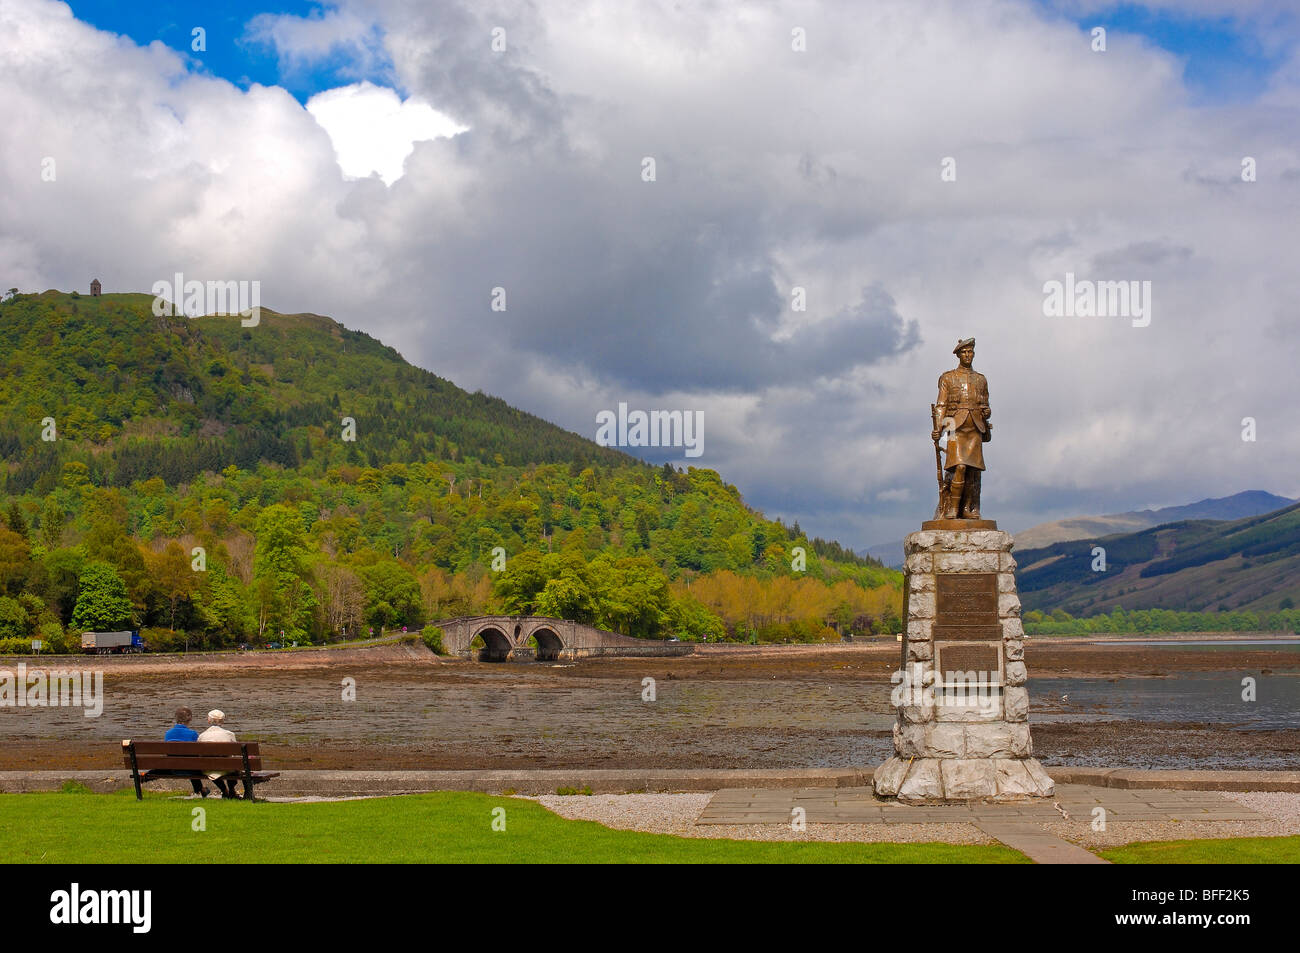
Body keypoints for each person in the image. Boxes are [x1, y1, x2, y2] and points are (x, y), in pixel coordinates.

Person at [931, 337, 991, 519]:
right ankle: (953, 508)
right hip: (954, 426)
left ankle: (967, 508)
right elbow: (941, 405)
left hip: (975, 425)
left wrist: (987, 411)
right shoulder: (948, 378)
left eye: (970, 352)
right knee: (960, 466)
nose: (967, 355)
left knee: (973, 471)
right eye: (964, 352)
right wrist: (938, 428)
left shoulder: (981, 379)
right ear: (958, 355)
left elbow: (985, 403)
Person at [164, 706, 207, 797]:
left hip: (173, 768)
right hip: (191, 769)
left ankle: (200, 790)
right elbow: (198, 753)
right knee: (190, 763)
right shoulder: (192, 734)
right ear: (190, 718)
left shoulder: (168, 733)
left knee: (187, 762)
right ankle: (202, 790)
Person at [198, 709, 241, 798]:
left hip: (208, 768)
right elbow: (235, 753)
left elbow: (200, 755)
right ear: (222, 721)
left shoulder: (202, 736)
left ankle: (224, 790)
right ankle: (231, 790)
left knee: (213, 767)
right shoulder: (229, 734)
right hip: (227, 769)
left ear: (209, 720)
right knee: (233, 763)